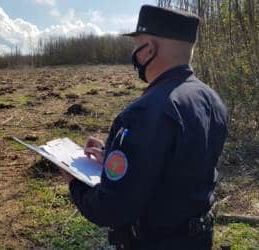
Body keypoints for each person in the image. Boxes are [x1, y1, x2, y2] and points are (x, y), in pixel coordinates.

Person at [62, 5, 229, 250]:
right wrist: (111, 155)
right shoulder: (211, 99)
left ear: (149, 49)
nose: (134, 54)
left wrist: (74, 183)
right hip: (198, 238)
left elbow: (111, 209)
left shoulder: (143, 113)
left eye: (136, 46)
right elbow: (175, 167)